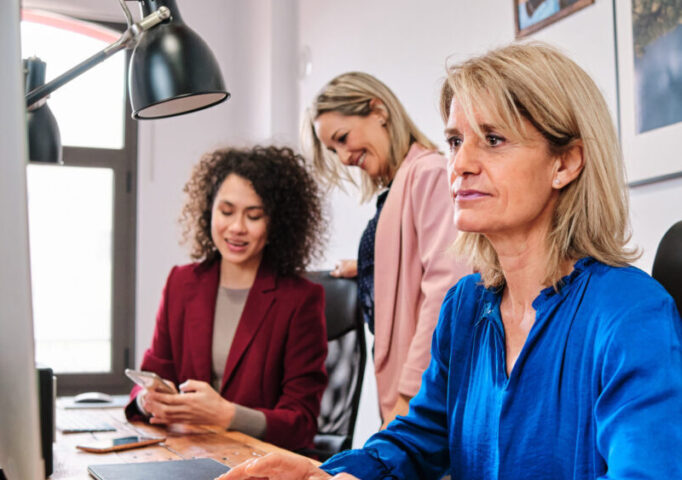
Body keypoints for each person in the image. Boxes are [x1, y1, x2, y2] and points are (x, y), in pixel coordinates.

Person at [218, 43, 682, 479]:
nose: (459, 164)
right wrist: (335, 474)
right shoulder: (466, 306)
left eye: (494, 139)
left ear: (565, 163)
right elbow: (418, 440)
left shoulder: (632, 313)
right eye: (456, 140)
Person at [126, 146, 329, 451]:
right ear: (209, 210)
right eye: (226, 211)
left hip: (256, 464)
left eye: (254, 215)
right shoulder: (181, 283)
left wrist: (226, 414)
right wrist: (147, 400)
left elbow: (301, 424)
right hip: (186, 456)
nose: (237, 228)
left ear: (276, 223)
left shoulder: (301, 299)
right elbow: (152, 377)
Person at [305, 71, 470, 426]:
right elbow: (413, 259)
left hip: (420, 395)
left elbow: (445, 289)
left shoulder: (426, 174)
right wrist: (366, 265)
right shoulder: (401, 184)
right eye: (334, 150)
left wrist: (408, 396)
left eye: (342, 139)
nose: (344, 157)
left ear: (378, 110)